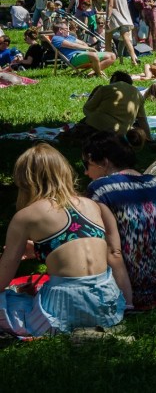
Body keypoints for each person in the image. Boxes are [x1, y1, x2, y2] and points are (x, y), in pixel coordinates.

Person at [0, 144, 124, 337]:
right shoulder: (92, 205)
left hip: (63, 309)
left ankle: (74, 331)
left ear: (25, 180)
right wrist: (40, 251)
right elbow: (75, 244)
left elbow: (4, 275)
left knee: (8, 301)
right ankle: (92, 330)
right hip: (107, 304)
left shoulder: (26, 216)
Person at [83, 132, 156, 309]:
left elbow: (113, 251)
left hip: (140, 292)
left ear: (104, 162)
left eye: (87, 164)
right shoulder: (154, 182)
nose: (86, 172)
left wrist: (127, 303)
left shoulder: (100, 190)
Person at [51, 21, 116, 77]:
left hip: (84, 54)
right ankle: (99, 75)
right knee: (93, 55)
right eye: (66, 28)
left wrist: (87, 49)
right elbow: (72, 45)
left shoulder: (69, 37)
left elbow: (82, 43)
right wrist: (89, 48)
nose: (68, 30)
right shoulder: (56, 38)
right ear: (60, 30)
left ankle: (93, 72)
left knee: (112, 56)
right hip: (74, 58)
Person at [103, 0, 138, 65]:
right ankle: (134, 59)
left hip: (114, 17)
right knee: (127, 39)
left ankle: (109, 61)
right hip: (125, 17)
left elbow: (110, 5)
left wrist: (107, 19)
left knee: (107, 39)